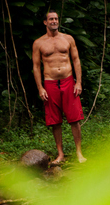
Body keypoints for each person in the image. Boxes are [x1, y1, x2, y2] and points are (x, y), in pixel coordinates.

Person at [32, 10, 86, 164]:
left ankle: (79, 152)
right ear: (45, 22)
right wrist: (40, 88)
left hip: (68, 81)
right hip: (50, 83)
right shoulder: (39, 43)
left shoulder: (68, 39)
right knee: (55, 121)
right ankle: (60, 154)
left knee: (74, 119)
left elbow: (76, 60)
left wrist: (79, 82)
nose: (54, 21)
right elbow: (36, 66)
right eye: (51, 19)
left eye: (56, 19)